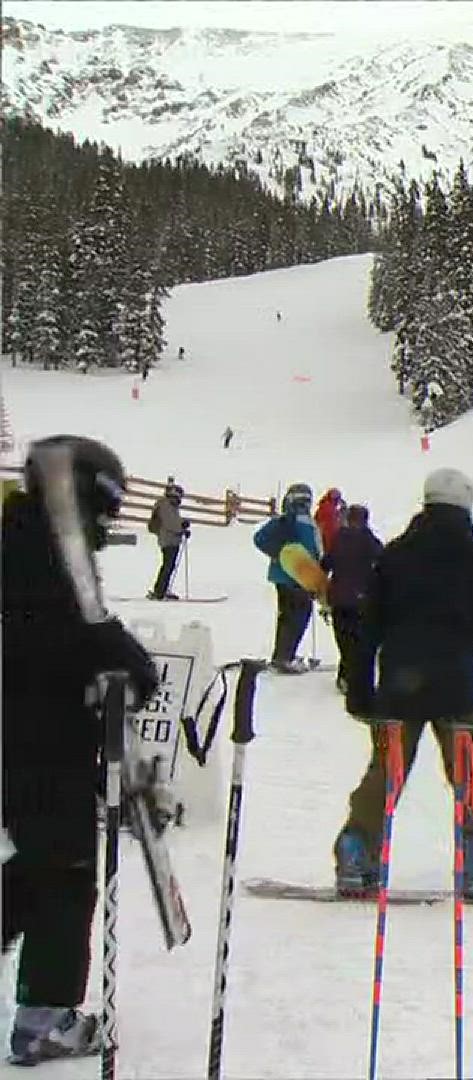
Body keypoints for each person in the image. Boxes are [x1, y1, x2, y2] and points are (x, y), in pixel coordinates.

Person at [3, 436, 159, 1063]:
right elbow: (80, 630)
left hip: (29, 737)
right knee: (63, 875)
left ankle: (44, 1011)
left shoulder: (21, 537)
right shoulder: (48, 551)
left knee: (37, 866)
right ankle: (45, 1018)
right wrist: (128, 669)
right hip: (39, 743)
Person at [336, 467, 473, 901]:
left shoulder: (396, 554)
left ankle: (356, 852)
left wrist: (360, 687)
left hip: (400, 684)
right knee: (470, 775)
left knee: (386, 771)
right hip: (456, 684)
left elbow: (369, 627)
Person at [252, 483, 322, 674]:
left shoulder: (284, 519)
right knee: (299, 616)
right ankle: (285, 657)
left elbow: (259, 538)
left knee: (286, 616)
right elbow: (311, 551)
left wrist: (277, 553)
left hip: (281, 576)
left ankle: (282, 655)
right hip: (298, 577)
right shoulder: (302, 522)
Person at [323, 505, 382, 697]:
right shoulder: (370, 540)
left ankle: (345, 676)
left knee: (344, 639)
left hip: (338, 599)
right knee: (358, 640)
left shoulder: (339, 539)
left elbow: (326, 563)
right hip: (361, 599)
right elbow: (383, 563)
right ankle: (352, 678)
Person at [145, 481, 189, 600]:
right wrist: (182, 528)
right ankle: (159, 591)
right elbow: (170, 523)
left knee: (169, 565)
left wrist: (183, 525)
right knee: (167, 566)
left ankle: (163, 589)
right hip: (168, 540)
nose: (180, 499)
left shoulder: (170, 505)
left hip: (171, 539)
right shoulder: (166, 505)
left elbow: (174, 521)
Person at [314, 488, 346, 553]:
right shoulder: (331, 511)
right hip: (329, 546)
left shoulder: (321, 509)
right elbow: (333, 529)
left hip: (321, 544)